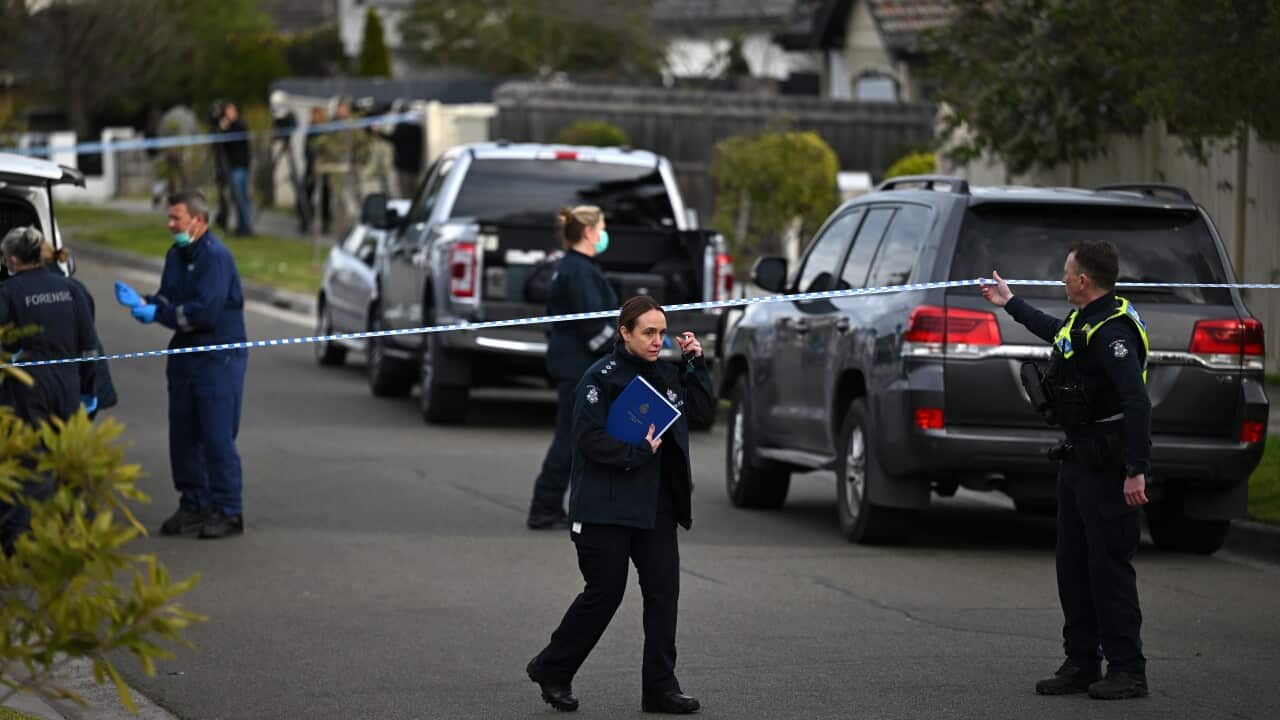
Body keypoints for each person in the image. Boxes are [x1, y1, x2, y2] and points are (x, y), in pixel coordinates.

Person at [981, 239, 1151, 700]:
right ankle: (1081, 662)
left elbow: (1136, 402)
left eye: (1065, 272)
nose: (1061, 279)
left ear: (1083, 280)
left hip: (1109, 462)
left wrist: (1137, 468)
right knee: (1072, 567)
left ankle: (1127, 669)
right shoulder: (1085, 319)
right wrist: (1010, 303)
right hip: (1077, 457)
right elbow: (1056, 332)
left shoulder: (1114, 332)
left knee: (1108, 569)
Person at [527, 295, 713, 715]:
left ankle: (660, 688)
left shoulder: (667, 374)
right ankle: (552, 668)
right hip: (605, 507)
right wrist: (635, 453)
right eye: (648, 332)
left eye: (662, 333)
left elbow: (700, 413)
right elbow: (589, 439)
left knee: (664, 595)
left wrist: (694, 365)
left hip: (656, 507)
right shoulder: (599, 378)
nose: (656, 340)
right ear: (624, 332)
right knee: (605, 593)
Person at [113, 192, 248, 540]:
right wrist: (146, 301)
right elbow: (170, 296)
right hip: (186, 355)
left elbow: (204, 311)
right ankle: (194, 503)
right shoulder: (177, 254)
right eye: (169, 218)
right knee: (183, 433)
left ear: (198, 221)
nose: (170, 224)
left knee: (216, 435)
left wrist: (160, 314)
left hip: (218, 356)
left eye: (177, 218)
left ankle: (228, 510)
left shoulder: (215, 258)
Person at [0, 226, 99, 552]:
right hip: (69, 384)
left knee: (31, 462)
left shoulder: (8, 292)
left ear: (13, 259)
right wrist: (89, 388)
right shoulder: (71, 288)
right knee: (69, 458)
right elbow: (89, 344)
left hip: (29, 387)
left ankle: (25, 541)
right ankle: (78, 534)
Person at [527, 206, 619, 530]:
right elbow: (592, 325)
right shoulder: (578, 270)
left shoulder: (573, 266)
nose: (605, 234)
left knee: (575, 434)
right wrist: (623, 351)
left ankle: (559, 504)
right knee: (571, 437)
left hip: (572, 362)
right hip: (578, 365)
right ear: (589, 232)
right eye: (602, 227)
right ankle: (545, 506)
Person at [41, 240, 117, 418]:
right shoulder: (76, 287)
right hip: (85, 382)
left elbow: (86, 343)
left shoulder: (44, 290)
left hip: (77, 385)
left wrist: (87, 390)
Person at [218, 102, 254, 237]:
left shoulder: (239, 125)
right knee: (239, 198)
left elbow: (234, 140)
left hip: (240, 167)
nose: (230, 114)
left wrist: (224, 129)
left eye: (231, 110)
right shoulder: (229, 127)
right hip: (234, 166)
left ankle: (245, 227)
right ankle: (242, 226)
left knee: (242, 197)